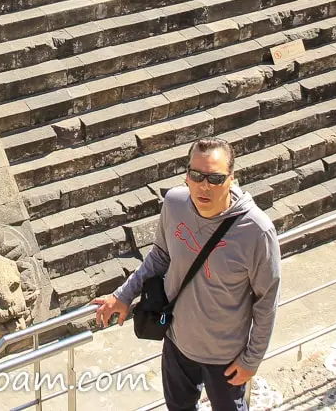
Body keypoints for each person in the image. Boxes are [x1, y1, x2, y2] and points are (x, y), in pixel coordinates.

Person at [91, 137, 281, 411]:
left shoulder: (257, 231)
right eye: (197, 175)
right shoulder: (175, 203)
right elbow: (160, 256)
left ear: (231, 178)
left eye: (214, 178)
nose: (204, 186)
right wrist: (123, 295)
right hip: (177, 341)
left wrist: (252, 359)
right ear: (187, 176)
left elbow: (267, 300)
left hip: (225, 355)